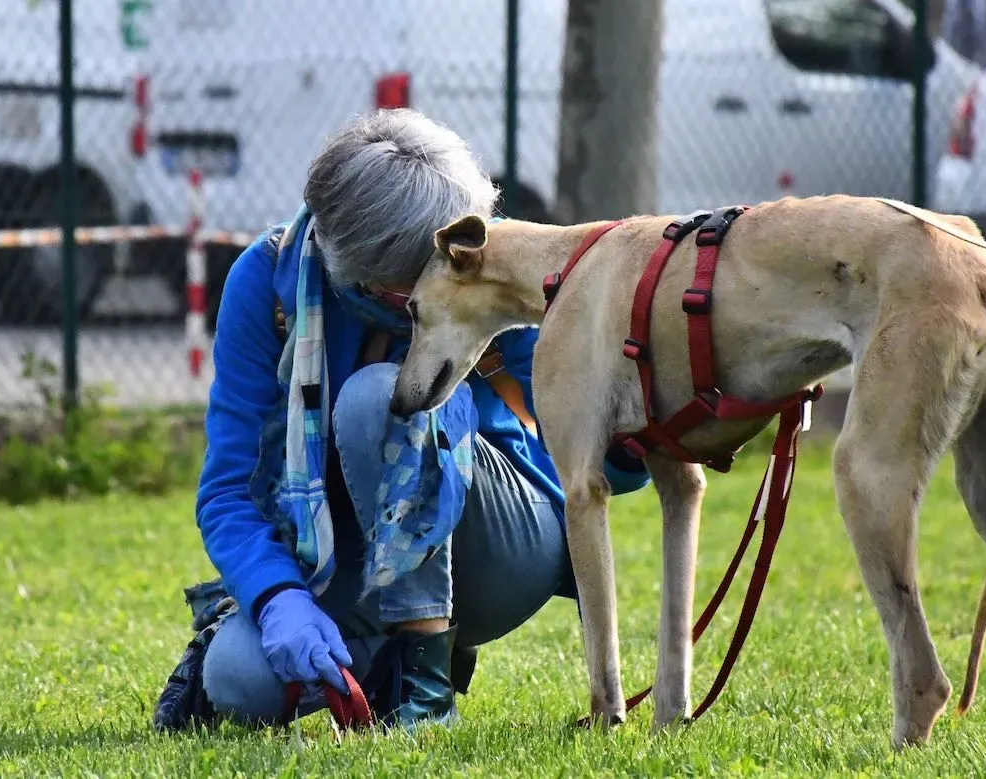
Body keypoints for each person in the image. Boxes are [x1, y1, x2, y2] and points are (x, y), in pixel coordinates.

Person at [151, 108, 649, 733]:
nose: (454, 270)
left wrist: (634, 434)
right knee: (240, 679)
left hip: (501, 547)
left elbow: (615, 476)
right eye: (418, 280)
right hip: (347, 557)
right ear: (353, 266)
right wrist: (278, 600)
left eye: (458, 254)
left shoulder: (495, 259)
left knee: (378, 398)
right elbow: (227, 492)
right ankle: (315, 648)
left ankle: (424, 687)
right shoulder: (267, 281)